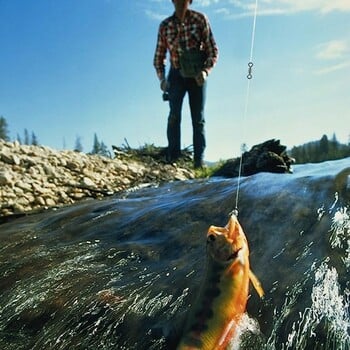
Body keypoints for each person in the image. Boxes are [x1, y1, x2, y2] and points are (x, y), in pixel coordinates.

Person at [153, 0, 218, 168]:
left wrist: (205, 71)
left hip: (197, 75)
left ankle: (199, 162)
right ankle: (173, 159)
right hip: (175, 75)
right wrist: (162, 79)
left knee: (198, 119)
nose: (181, 2)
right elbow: (159, 57)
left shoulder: (200, 19)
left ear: (189, 1)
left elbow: (213, 50)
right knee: (174, 116)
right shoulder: (165, 26)